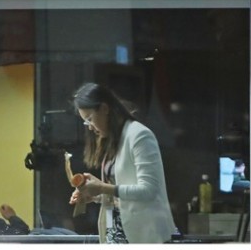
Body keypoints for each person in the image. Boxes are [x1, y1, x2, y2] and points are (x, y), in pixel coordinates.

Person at [69, 82, 176, 244]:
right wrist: (95, 195)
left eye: (90, 119)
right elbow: (120, 196)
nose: (90, 127)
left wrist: (102, 187)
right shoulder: (114, 140)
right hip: (118, 233)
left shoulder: (139, 135)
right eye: (86, 122)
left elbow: (149, 190)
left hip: (143, 235)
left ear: (104, 109)